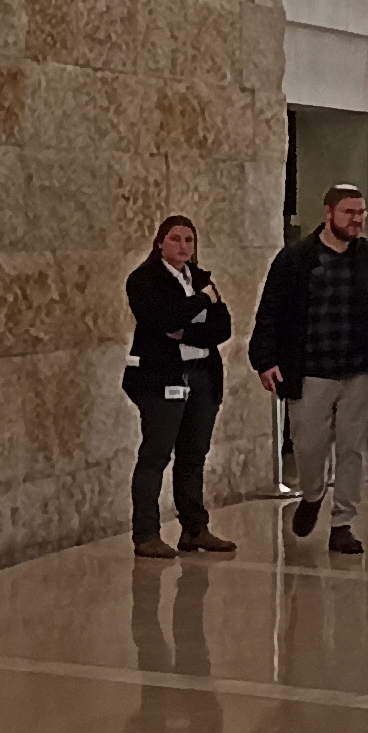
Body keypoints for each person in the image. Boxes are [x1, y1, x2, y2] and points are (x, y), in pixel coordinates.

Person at [247, 181, 368, 555]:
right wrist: (265, 360)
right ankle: (313, 493)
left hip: (360, 369)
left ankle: (342, 522)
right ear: (328, 213)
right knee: (308, 444)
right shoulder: (295, 259)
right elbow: (271, 311)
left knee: (353, 448)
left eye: (361, 213)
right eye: (349, 212)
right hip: (310, 369)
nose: (357, 219)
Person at [123, 215, 236, 558]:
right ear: (160, 243)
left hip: (202, 375)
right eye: (175, 239)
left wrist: (186, 333)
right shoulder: (144, 280)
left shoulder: (201, 279)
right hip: (162, 377)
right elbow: (161, 319)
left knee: (193, 456)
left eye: (189, 240)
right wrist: (200, 302)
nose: (183, 246)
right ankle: (146, 533)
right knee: (156, 454)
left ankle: (194, 528)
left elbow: (222, 328)